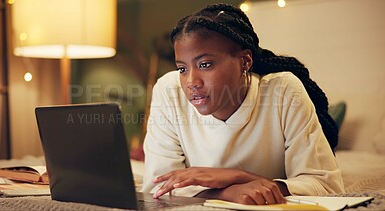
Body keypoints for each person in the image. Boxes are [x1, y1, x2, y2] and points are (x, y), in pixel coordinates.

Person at [141, 3, 344, 205]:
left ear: (245, 61)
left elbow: (327, 187)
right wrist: (227, 192)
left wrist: (236, 176)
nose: (191, 82)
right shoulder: (169, 91)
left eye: (205, 64)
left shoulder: (283, 91)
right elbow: (157, 188)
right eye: (182, 69)